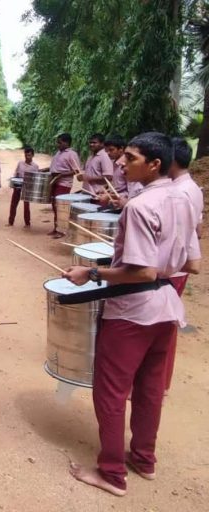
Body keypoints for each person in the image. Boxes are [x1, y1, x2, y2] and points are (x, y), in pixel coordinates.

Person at [63, 132, 201, 497]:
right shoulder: (185, 197)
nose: (120, 163)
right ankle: (143, 458)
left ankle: (111, 473)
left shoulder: (139, 207)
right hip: (167, 307)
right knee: (149, 389)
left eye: (130, 157)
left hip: (132, 312)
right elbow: (191, 262)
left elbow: (141, 271)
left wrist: (90, 272)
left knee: (110, 391)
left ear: (155, 164)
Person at [163, 137, 204, 393]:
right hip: (178, 267)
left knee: (164, 326)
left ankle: (160, 383)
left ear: (173, 160)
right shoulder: (193, 188)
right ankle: (160, 382)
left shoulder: (178, 193)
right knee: (166, 324)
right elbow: (198, 229)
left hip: (173, 269)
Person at [48, 133, 82, 238]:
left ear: (67, 143)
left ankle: (62, 231)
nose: (57, 144)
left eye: (60, 142)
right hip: (55, 182)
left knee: (61, 207)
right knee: (54, 205)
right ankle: (56, 228)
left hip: (64, 183)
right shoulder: (58, 153)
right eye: (57, 142)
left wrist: (62, 175)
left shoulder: (72, 154)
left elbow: (76, 171)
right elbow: (54, 167)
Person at [8, 147, 37, 227]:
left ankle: (27, 223)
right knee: (14, 204)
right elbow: (16, 173)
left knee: (26, 205)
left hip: (27, 187)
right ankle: (10, 222)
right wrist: (14, 183)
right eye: (26, 155)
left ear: (33, 155)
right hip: (18, 186)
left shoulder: (35, 166)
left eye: (29, 155)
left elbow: (35, 178)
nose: (27, 157)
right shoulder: (20, 163)